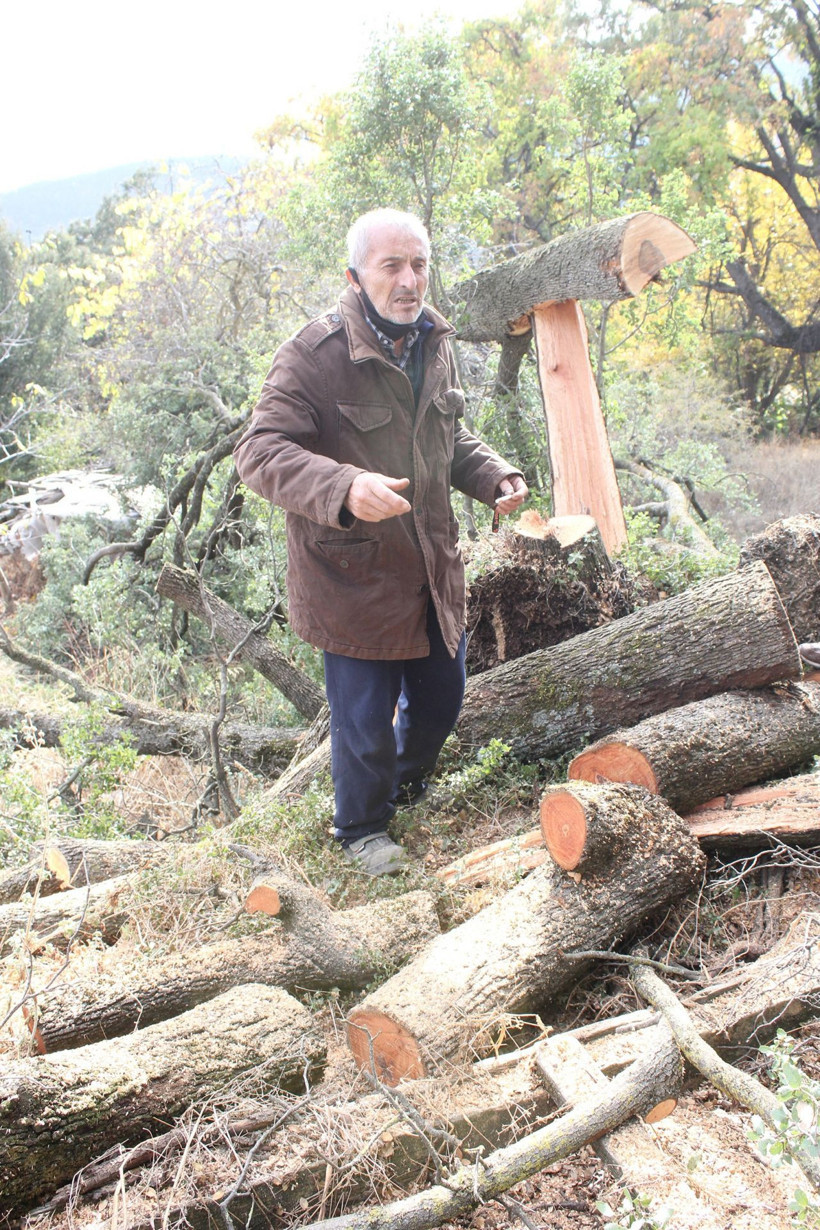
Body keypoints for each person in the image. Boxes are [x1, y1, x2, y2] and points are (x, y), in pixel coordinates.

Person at [234, 208, 528, 874]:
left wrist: (492, 474)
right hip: (353, 581)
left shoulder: (433, 340)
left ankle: (405, 784)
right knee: (363, 723)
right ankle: (362, 827)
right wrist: (342, 487)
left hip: (430, 568)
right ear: (355, 275)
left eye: (419, 264)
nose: (409, 280)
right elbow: (257, 452)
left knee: (441, 699)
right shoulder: (314, 355)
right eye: (391, 265)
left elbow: (447, 437)